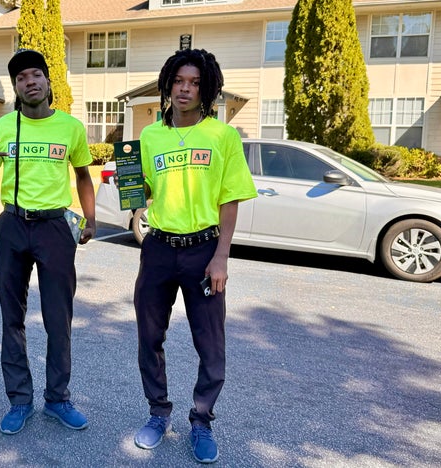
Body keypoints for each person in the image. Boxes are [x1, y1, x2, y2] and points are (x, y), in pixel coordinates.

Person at [132, 48, 257, 463]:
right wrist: (134, 201)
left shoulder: (222, 136)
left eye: (195, 83)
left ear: (207, 89)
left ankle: (201, 420)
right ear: (168, 85)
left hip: (204, 249)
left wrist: (221, 255)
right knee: (150, 335)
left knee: (210, 342)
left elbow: (231, 198)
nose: (185, 89)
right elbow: (143, 188)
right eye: (179, 81)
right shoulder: (151, 136)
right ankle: (157, 413)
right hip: (159, 248)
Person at [0, 49, 96, 435]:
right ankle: (19, 400)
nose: (30, 82)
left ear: (47, 81)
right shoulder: (1, 128)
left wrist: (90, 218)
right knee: (13, 318)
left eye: (36, 74)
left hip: (56, 228)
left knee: (59, 319)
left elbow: (84, 175)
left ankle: (57, 399)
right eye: (22, 77)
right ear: (16, 87)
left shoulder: (71, 128)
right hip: (12, 225)